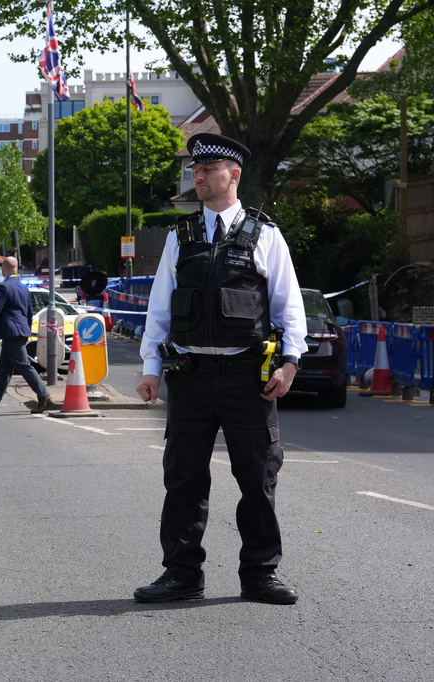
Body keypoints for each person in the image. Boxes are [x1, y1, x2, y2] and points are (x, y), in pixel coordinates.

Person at [134, 133, 307, 605]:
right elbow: (160, 311)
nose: (199, 176)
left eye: (208, 170)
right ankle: (182, 574)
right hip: (188, 376)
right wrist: (151, 367)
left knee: (257, 478)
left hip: (245, 378)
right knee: (184, 478)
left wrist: (290, 362)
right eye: (195, 169)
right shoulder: (180, 236)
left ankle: (260, 575)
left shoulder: (265, 235)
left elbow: (289, 308)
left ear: (234, 175)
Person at [0, 256, 54, 415]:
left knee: (24, 366)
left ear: (4, 269)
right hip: (21, 331)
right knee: (4, 369)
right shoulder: (23, 287)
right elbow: (29, 312)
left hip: (11, 333)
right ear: (16, 269)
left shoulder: (4, 287)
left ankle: (45, 396)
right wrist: (26, 330)